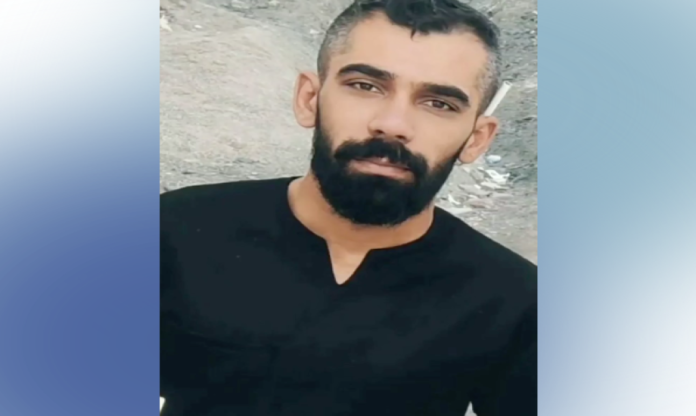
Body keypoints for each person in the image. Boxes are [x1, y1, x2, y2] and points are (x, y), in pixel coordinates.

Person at [160, 0, 537, 415]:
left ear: (477, 139)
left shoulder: (514, 300)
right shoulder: (173, 233)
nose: (393, 124)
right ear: (310, 98)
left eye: (439, 103)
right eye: (365, 85)